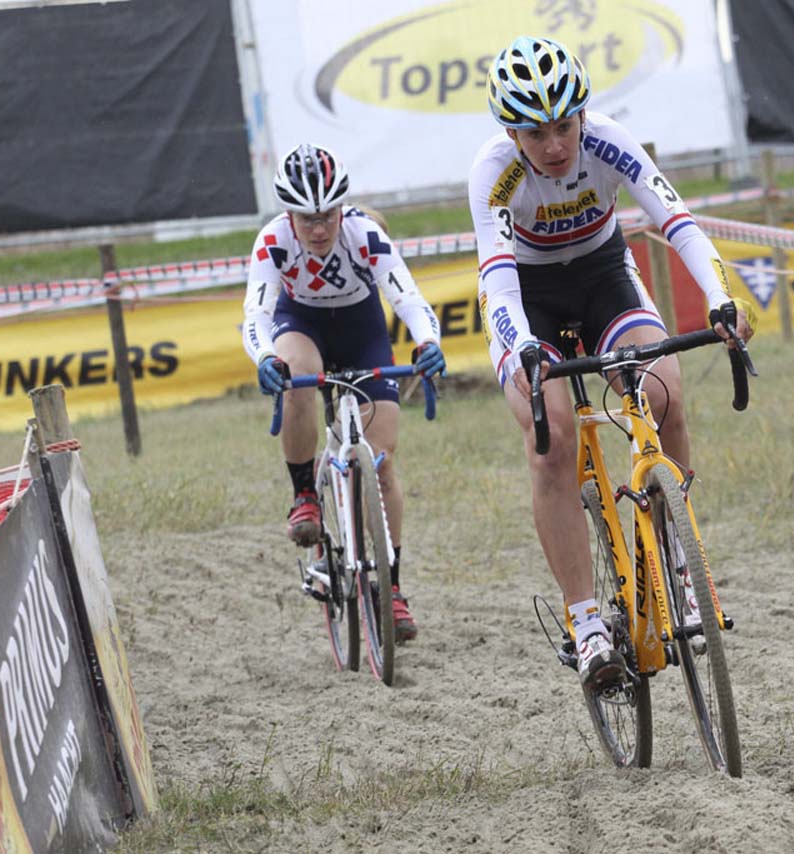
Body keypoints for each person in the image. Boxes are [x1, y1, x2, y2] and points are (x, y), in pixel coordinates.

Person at [467, 36, 754, 691]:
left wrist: (719, 298)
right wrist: (524, 348)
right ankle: (586, 620)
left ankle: (679, 563)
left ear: (582, 116)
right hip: (527, 300)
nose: (555, 146)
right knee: (552, 441)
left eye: (564, 125)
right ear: (512, 132)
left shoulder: (607, 141)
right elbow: (500, 282)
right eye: (535, 133)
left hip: (603, 278)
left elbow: (676, 219)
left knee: (663, 391)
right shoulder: (497, 174)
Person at [242, 143, 445, 642]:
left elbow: (408, 298)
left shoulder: (364, 234)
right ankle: (305, 495)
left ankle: (390, 587)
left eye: (327, 214)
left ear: (341, 207)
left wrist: (428, 342)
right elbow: (257, 317)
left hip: (361, 330)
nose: (318, 228)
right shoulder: (272, 241)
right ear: (289, 213)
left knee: (382, 461)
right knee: (297, 374)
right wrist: (265, 357)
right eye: (307, 217)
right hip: (301, 324)